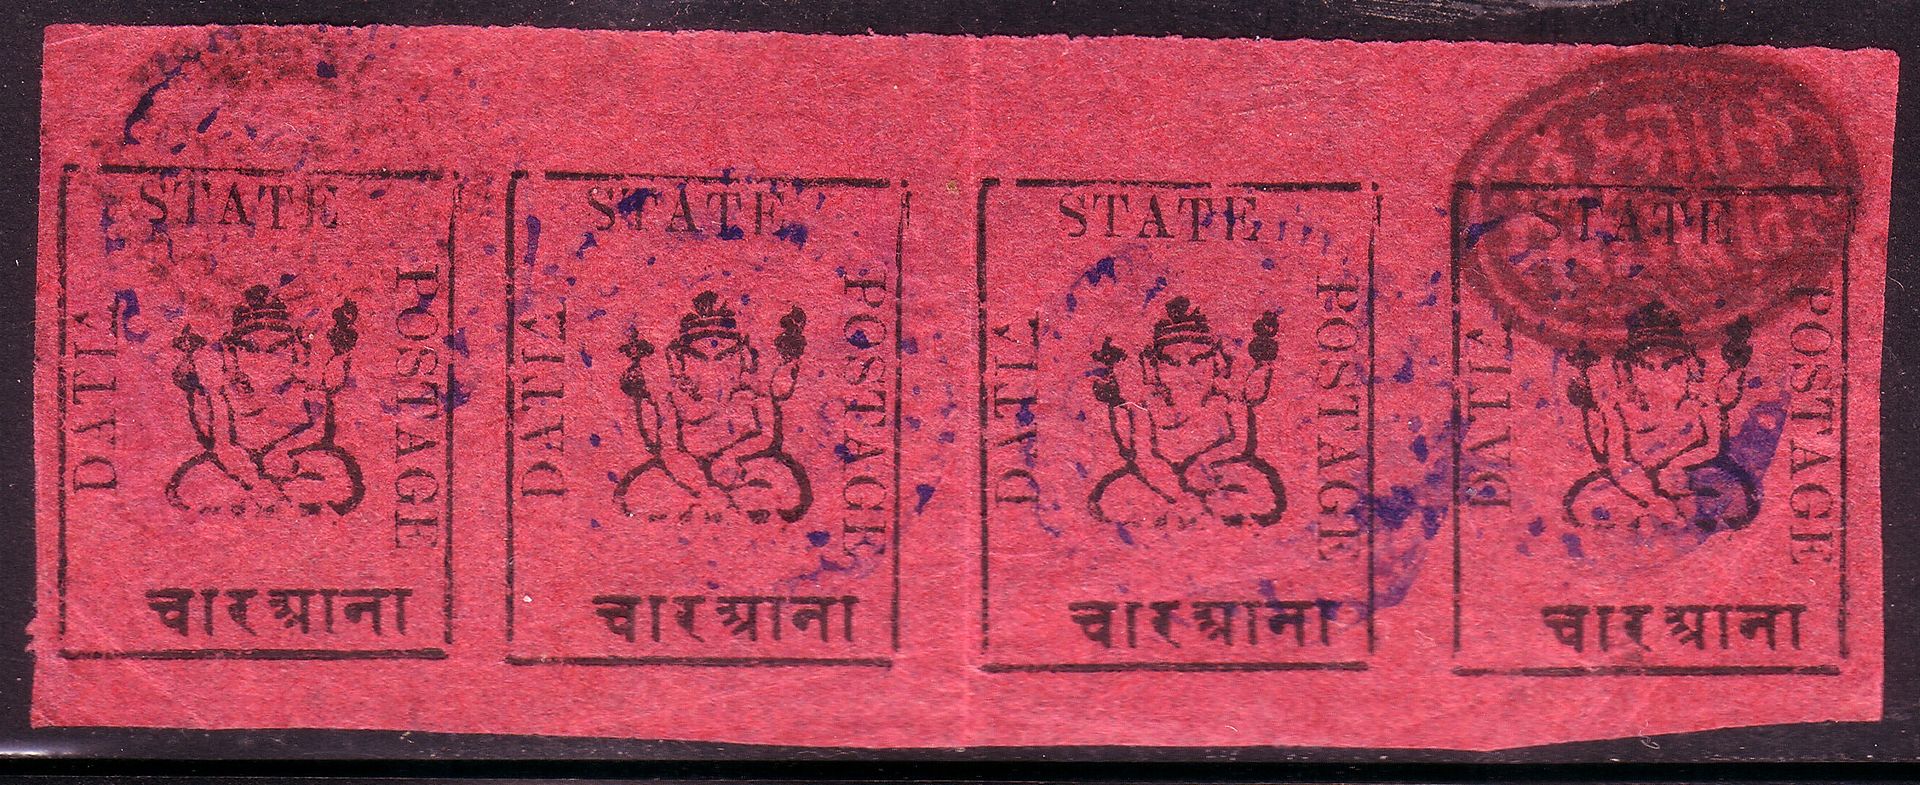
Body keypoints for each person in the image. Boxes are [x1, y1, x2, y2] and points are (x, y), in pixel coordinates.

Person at [166, 285, 365, 517]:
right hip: (241, 469)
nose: (264, 359)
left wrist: (282, 452)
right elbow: (223, 446)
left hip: (291, 463)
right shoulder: (223, 392)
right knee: (194, 482)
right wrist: (252, 481)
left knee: (337, 472)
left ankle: (262, 502)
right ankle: (275, 500)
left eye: (277, 348)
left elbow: (318, 432)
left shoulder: (306, 388)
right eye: (251, 349)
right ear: (233, 353)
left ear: (295, 350)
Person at [1087, 296, 1285, 528]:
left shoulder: (1226, 400)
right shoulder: (1146, 406)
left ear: (1216, 361)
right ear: (1154, 367)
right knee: (1114, 497)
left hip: (1214, 474)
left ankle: (1185, 515)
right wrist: (1176, 494)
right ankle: (1192, 512)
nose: (1186, 373)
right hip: (1160, 482)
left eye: (1197, 361)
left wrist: (1203, 463)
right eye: (1172, 363)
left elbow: (1239, 443)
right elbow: (1144, 457)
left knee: (1261, 491)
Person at [614, 291, 811, 524]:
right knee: (641, 490)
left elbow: (766, 436)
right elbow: (670, 452)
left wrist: (731, 456)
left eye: (724, 357)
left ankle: (710, 508)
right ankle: (720, 505)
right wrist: (702, 488)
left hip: (741, 467)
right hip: (687, 475)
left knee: (785, 483)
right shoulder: (672, 400)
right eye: (698, 358)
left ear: (744, 358)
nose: (712, 369)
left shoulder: (753, 395)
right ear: (678, 361)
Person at [1562, 300, 1758, 533]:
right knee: (1587, 501)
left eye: (1670, 365)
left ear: (1689, 365)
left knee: (1734, 495)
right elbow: (1617, 463)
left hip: (1690, 478)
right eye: (1646, 366)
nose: (1659, 377)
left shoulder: (1701, 402)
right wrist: (1651, 499)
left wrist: (1676, 466)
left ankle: (1673, 518)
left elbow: (1712, 447)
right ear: (1628, 369)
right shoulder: (1617, 408)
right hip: (1631, 485)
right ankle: (1657, 519)